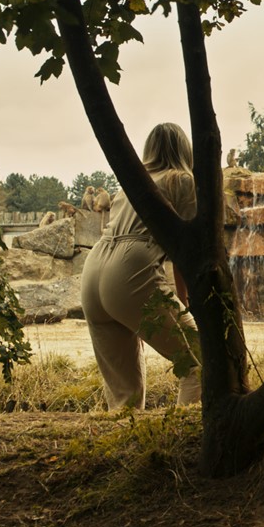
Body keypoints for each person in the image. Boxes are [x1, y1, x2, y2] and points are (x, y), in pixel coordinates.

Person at [80, 123, 201, 409]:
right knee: (199, 361)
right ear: (185, 149)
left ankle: (124, 449)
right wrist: (183, 302)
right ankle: (188, 440)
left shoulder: (129, 184)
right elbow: (184, 249)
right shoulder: (181, 180)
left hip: (94, 268)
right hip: (129, 270)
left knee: (124, 394)